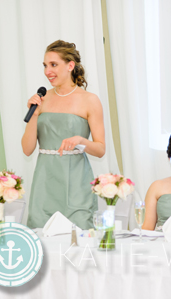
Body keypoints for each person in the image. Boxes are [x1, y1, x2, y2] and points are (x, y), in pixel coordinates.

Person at [22, 40, 106, 229]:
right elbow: (27, 150)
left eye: (53, 65)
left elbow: (100, 150)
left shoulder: (89, 100)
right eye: (45, 65)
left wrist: (81, 141)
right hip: (44, 183)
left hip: (77, 183)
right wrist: (34, 116)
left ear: (70, 65)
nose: (47, 71)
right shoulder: (41, 99)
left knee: (79, 242)